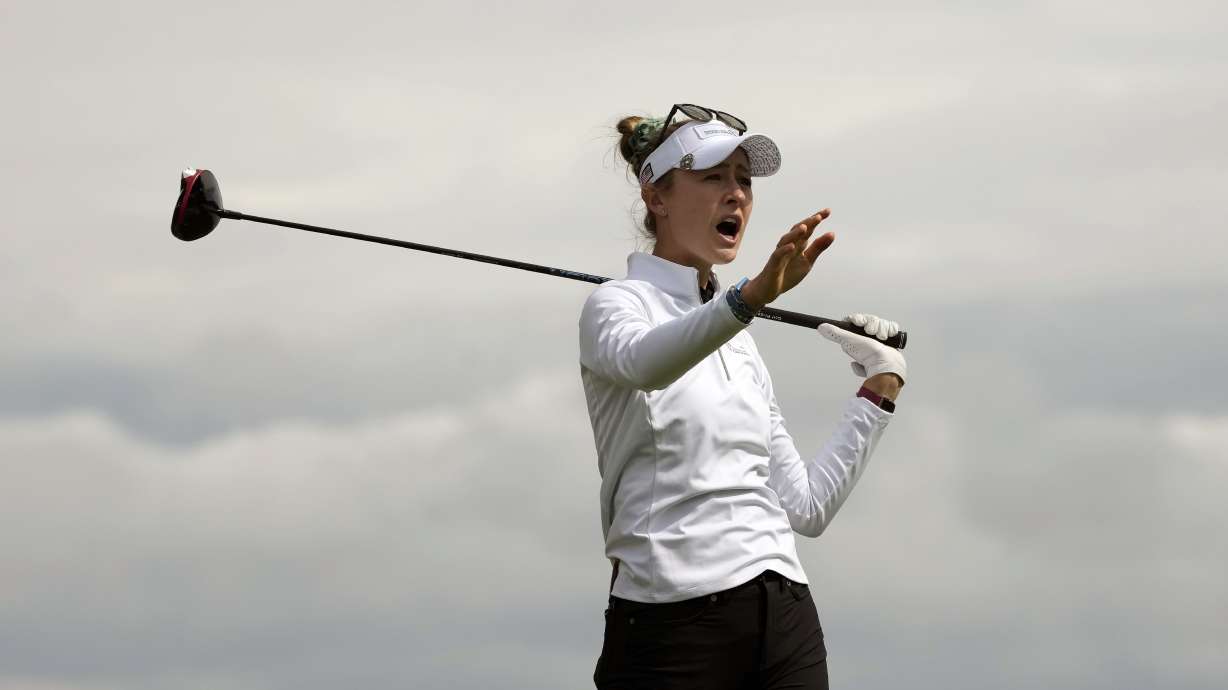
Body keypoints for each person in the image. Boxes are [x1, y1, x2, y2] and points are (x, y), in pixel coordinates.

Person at [578, 104, 908, 690]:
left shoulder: (739, 341)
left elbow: (805, 507)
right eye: (713, 178)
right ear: (656, 196)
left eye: (744, 181)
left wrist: (877, 391)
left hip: (782, 611)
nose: (736, 196)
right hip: (669, 620)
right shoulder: (616, 306)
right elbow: (647, 365)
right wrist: (748, 298)